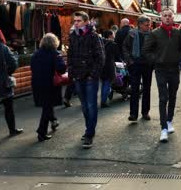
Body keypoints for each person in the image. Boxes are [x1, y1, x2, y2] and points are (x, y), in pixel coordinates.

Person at [143, 8, 181, 143]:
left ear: (173, 18)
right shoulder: (154, 33)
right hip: (161, 69)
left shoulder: (177, 32)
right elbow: (146, 51)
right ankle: (163, 128)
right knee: (163, 98)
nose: (167, 18)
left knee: (172, 96)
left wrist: (180, 57)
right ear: (161, 18)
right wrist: (157, 60)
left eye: (169, 16)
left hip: (174, 69)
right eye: (165, 16)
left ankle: (169, 120)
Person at [68, 11, 105, 149]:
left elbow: (100, 57)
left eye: (78, 20)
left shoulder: (94, 36)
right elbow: (70, 55)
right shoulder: (73, 36)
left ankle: (89, 134)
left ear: (86, 21)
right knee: (84, 106)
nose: (76, 23)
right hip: (78, 75)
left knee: (91, 105)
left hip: (90, 77)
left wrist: (93, 74)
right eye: (75, 20)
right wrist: (71, 71)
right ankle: (88, 129)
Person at [31, 33, 66, 142]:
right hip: (50, 84)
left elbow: (32, 67)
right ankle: (41, 132)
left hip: (37, 83)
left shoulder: (36, 54)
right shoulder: (55, 54)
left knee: (47, 105)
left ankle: (54, 121)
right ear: (54, 42)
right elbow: (61, 69)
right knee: (47, 107)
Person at [123, 15, 153, 122]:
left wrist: (152, 59)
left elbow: (155, 49)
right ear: (140, 24)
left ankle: (145, 112)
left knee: (146, 89)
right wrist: (129, 61)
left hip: (147, 65)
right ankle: (133, 114)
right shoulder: (131, 34)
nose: (149, 26)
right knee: (134, 89)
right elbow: (125, 47)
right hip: (135, 64)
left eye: (149, 24)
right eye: (146, 25)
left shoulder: (151, 35)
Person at [100, 30, 117, 108]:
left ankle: (104, 99)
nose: (114, 35)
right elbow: (115, 56)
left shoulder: (100, 42)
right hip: (109, 66)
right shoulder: (112, 44)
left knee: (104, 83)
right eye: (113, 34)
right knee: (107, 83)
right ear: (110, 35)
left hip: (101, 66)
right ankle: (103, 101)